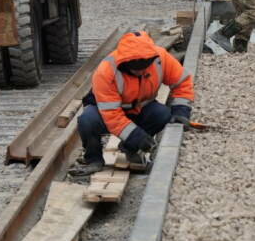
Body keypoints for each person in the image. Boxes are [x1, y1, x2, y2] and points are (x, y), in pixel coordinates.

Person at [73, 30, 194, 175]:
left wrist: (181, 111)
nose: (140, 71)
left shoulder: (160, 58)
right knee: (87, 120)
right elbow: (112, 115)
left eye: (144, 66)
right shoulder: (106, 71)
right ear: (124, 61)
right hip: (107, 114)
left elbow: (182, 82)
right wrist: (136, 136)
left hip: (140, 109)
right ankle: (94, 160)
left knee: (163, 114)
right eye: (135, 67)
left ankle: (129, 147)